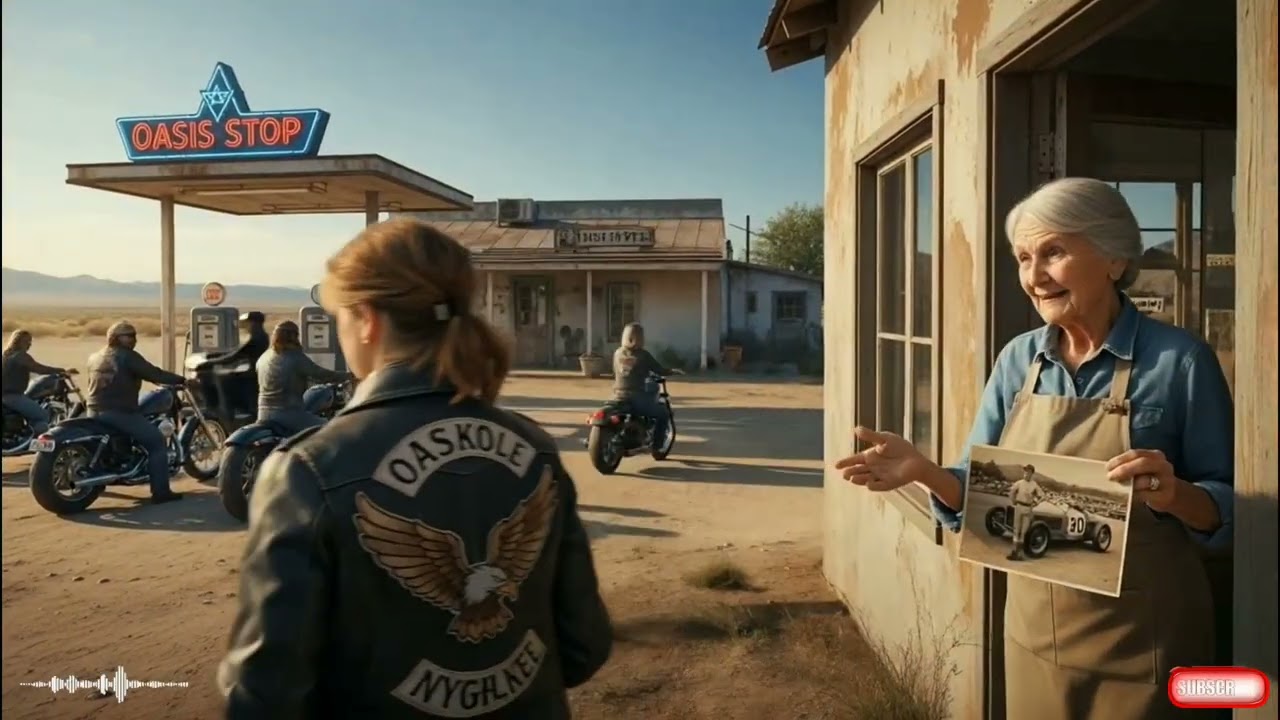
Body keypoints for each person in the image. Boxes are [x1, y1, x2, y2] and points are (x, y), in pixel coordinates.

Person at [835, 177, 1233, 719]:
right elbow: (982, 493)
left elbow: (1228, 511)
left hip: (1148, 647)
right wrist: (925, 471)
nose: (1034, 276)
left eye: (1054, 252)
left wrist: (1175, 495)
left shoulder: (1180, 361)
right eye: (1024, 258)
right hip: (1034, 641)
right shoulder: (1018, 361)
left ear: (1114, 258)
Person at [219, 217, 612, 719]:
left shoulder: (307, 470)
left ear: (367, 319)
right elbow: (583, 648)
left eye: (339, 317)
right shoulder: (536, 448)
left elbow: (263, 696)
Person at [85, 321, 188, 504]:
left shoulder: (95, 356)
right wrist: (182, 380)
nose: (134, 339)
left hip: (93, 410)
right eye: (129, 335)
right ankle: (161, 492)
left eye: (134, 335)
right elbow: (154, 374)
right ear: (116, 338)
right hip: (118, 412)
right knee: (157, 443)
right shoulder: (127, 356)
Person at [255, 320, 349, 436]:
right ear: (293, 336)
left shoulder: (263, 357)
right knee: (331, 429)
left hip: (263, 413)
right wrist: (349, 375)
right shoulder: (294, 356)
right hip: (289, 413)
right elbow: (321, 374)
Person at [612, 322, 684, 446]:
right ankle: (657, 445)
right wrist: (674, 371)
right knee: (663, 413)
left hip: (617, 395)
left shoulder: (617, 353)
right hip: (636, 397)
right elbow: (660, 370)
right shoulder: (643, 355)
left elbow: (615, 371)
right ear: (639, 338)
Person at [2, 329, 76, 435]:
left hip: (8, 396)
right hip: (13, 396)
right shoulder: (20, 356)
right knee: (42, 415)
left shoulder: (6, 355)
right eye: (26, 341)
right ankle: (33, 439)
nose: (29, 344)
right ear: (17, 342)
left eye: (30, 341)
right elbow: (39, 369)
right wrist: (62, 371)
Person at [1006, 463, 1046, 561]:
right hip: (1019, 506)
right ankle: (1014, 552)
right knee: (1016, 530)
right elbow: (1011, 492)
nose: (1026, 473)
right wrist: (1013, 501)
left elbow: (1042, 496)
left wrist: (1036, 503)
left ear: (1032, 473)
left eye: (1029, 471)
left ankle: (1019, 554)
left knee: (1023, 532)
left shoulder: (1034, 484)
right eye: (1025, 471)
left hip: (1028, 508)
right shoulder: (1019, 483)